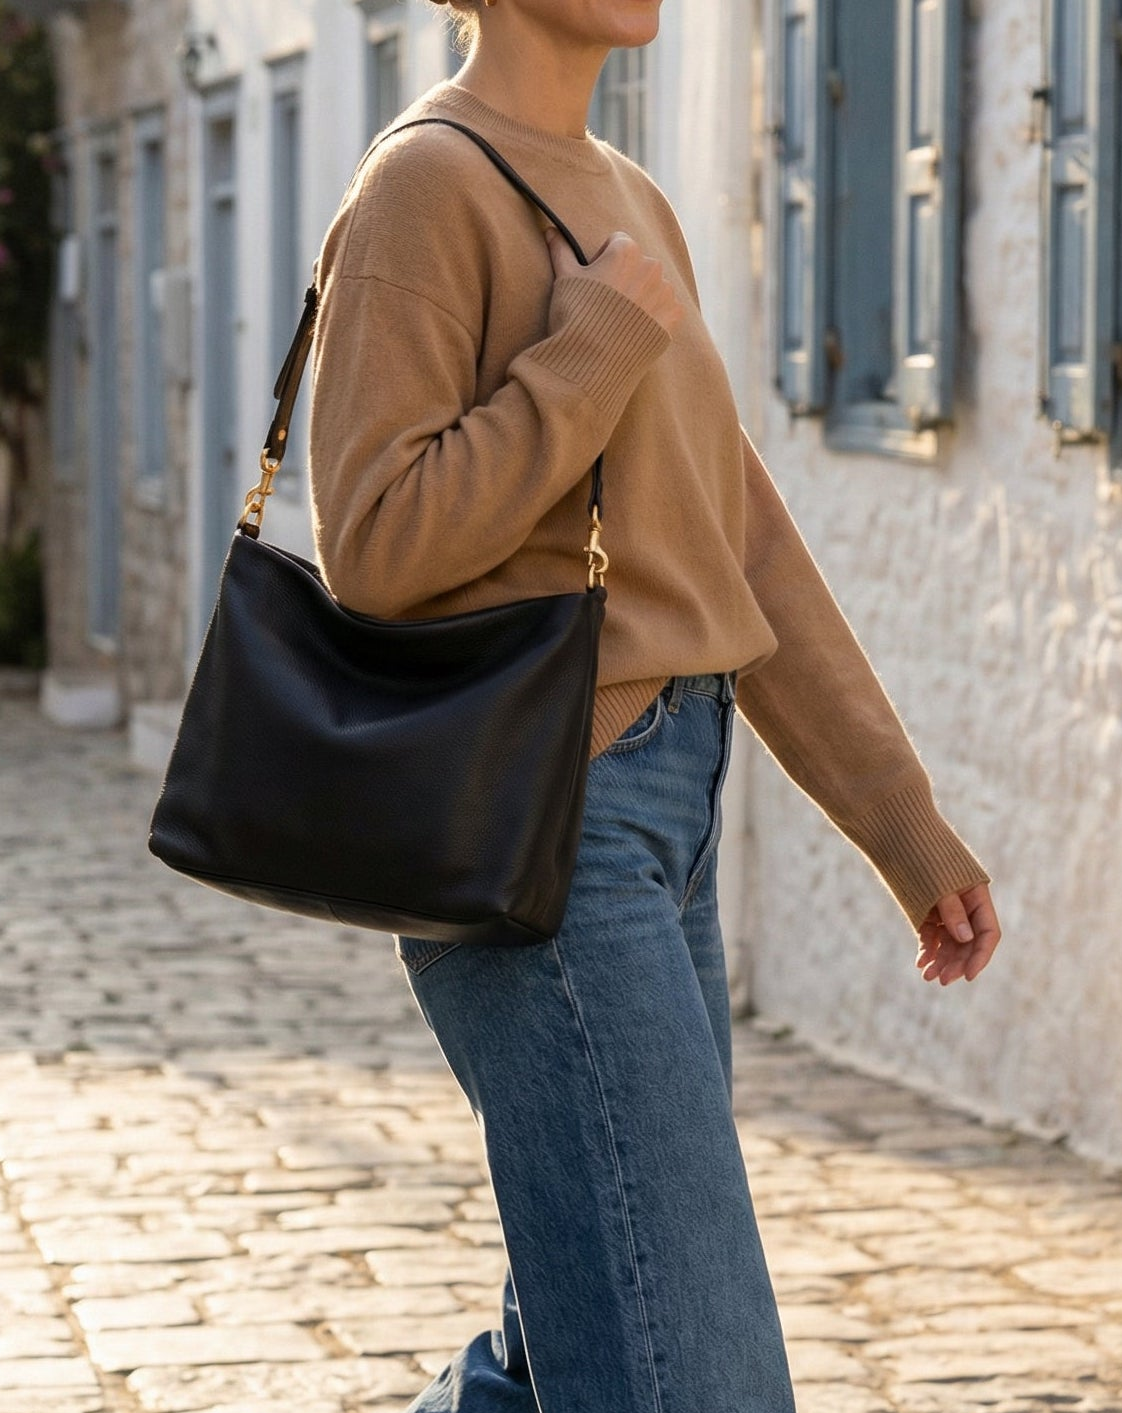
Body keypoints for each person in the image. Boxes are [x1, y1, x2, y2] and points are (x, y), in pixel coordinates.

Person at [307, 2, 1003, 1408]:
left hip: (665, 805)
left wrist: (900, 823)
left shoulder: (630, 203)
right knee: (690, 1365)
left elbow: (734, 543)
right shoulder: (422, 185)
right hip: (537, 820)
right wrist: (590, 351)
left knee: (583, 1326)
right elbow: (375, 544)